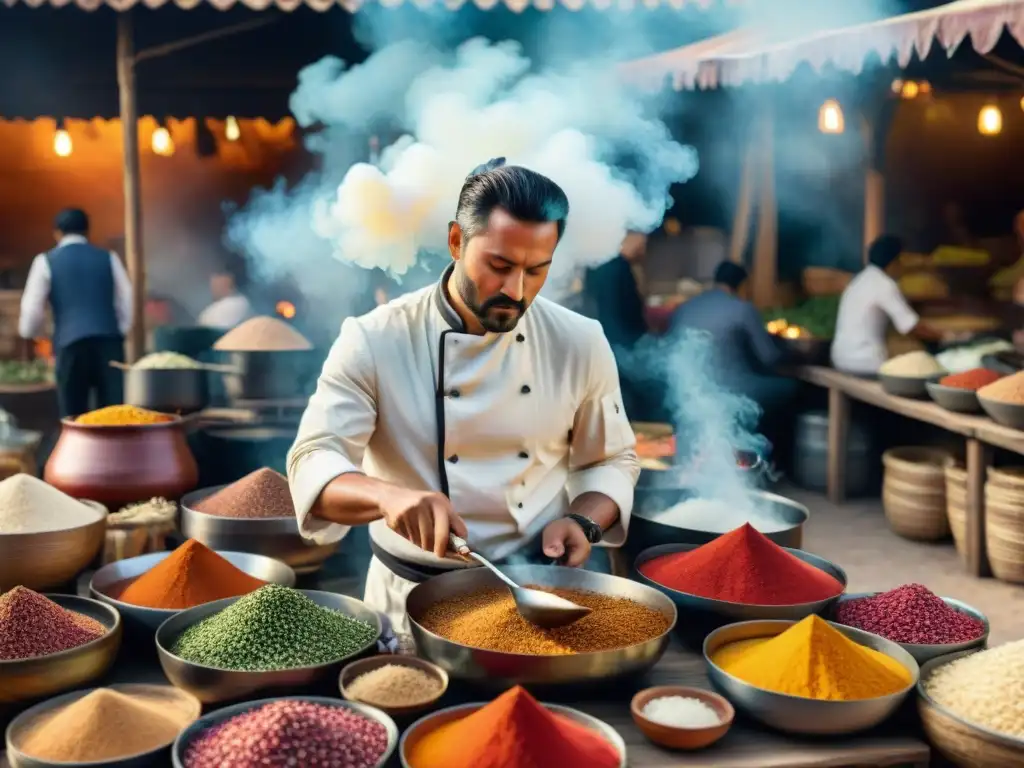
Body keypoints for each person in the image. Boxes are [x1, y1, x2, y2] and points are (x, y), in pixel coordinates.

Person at [287, 159, 639, 635]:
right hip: (410, 603)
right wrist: (386, 497)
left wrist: (583, 521)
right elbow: (312, 460)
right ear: (456, 241)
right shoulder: (375, 339)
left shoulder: (579, 340)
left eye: (537, 271)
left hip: (539, 596)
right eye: (499, 266)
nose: (516, 291)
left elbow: (612, 460)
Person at [18, 208, 132, 418]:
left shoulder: (45, 261)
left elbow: (31, 312)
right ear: (87, 232)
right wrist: (118, 330)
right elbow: (126, 300)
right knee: (113, 417)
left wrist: (38, 334)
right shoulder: (109, 258)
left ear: (57, 233)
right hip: (109, 345)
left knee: (73, 420)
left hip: (70, 345)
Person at [669, 261, 797, 424]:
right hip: (732, 393)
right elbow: (769, 358)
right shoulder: (743, 309)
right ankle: (778, 447)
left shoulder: (684, 308)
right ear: (742, 285)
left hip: (686, 392)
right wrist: (791, 352)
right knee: (791, 388)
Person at [832, 235, 940, 376]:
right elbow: (910, 326)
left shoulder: (859, 280)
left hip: (840, 359)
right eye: (901, 260)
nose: (902, 266)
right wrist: (946, 338)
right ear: (894, 262)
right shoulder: (884, 284)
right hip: (865, 363)